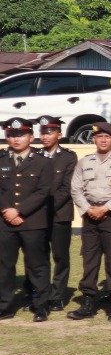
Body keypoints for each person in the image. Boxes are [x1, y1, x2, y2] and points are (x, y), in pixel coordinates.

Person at [66, 122, 111, 321]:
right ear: (93, 139)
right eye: (99, 137)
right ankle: (88, 300)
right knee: (89, 259)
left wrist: (105, 208)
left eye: (107, 137)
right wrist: (88, 209)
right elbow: (76, 189)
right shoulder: (85, 161)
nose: (103, 140)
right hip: (90, 214)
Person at [0, 116, 53, 321]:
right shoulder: (2, 160)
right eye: (12, 135)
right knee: (4, 265)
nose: (16, 139)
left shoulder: (42, 162)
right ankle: (5, 305)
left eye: (21, 135)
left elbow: (43, 191)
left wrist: (19, 211)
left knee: (37, 264)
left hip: (32, 221)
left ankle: (40, 306)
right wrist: (7, 210)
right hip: (5, 222)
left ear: (31, 137)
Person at [35, 116, 76, 314]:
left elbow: (66, 188)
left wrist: (46, 207)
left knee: (60, 257)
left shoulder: (69, 157)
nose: (45, 136)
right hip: (36, 216)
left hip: (59, 215)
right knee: (38, 257)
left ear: (59, 134)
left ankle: (58, 296)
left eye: (50, 132)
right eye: (42, 132)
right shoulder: (34, 156)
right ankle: (39, 294)